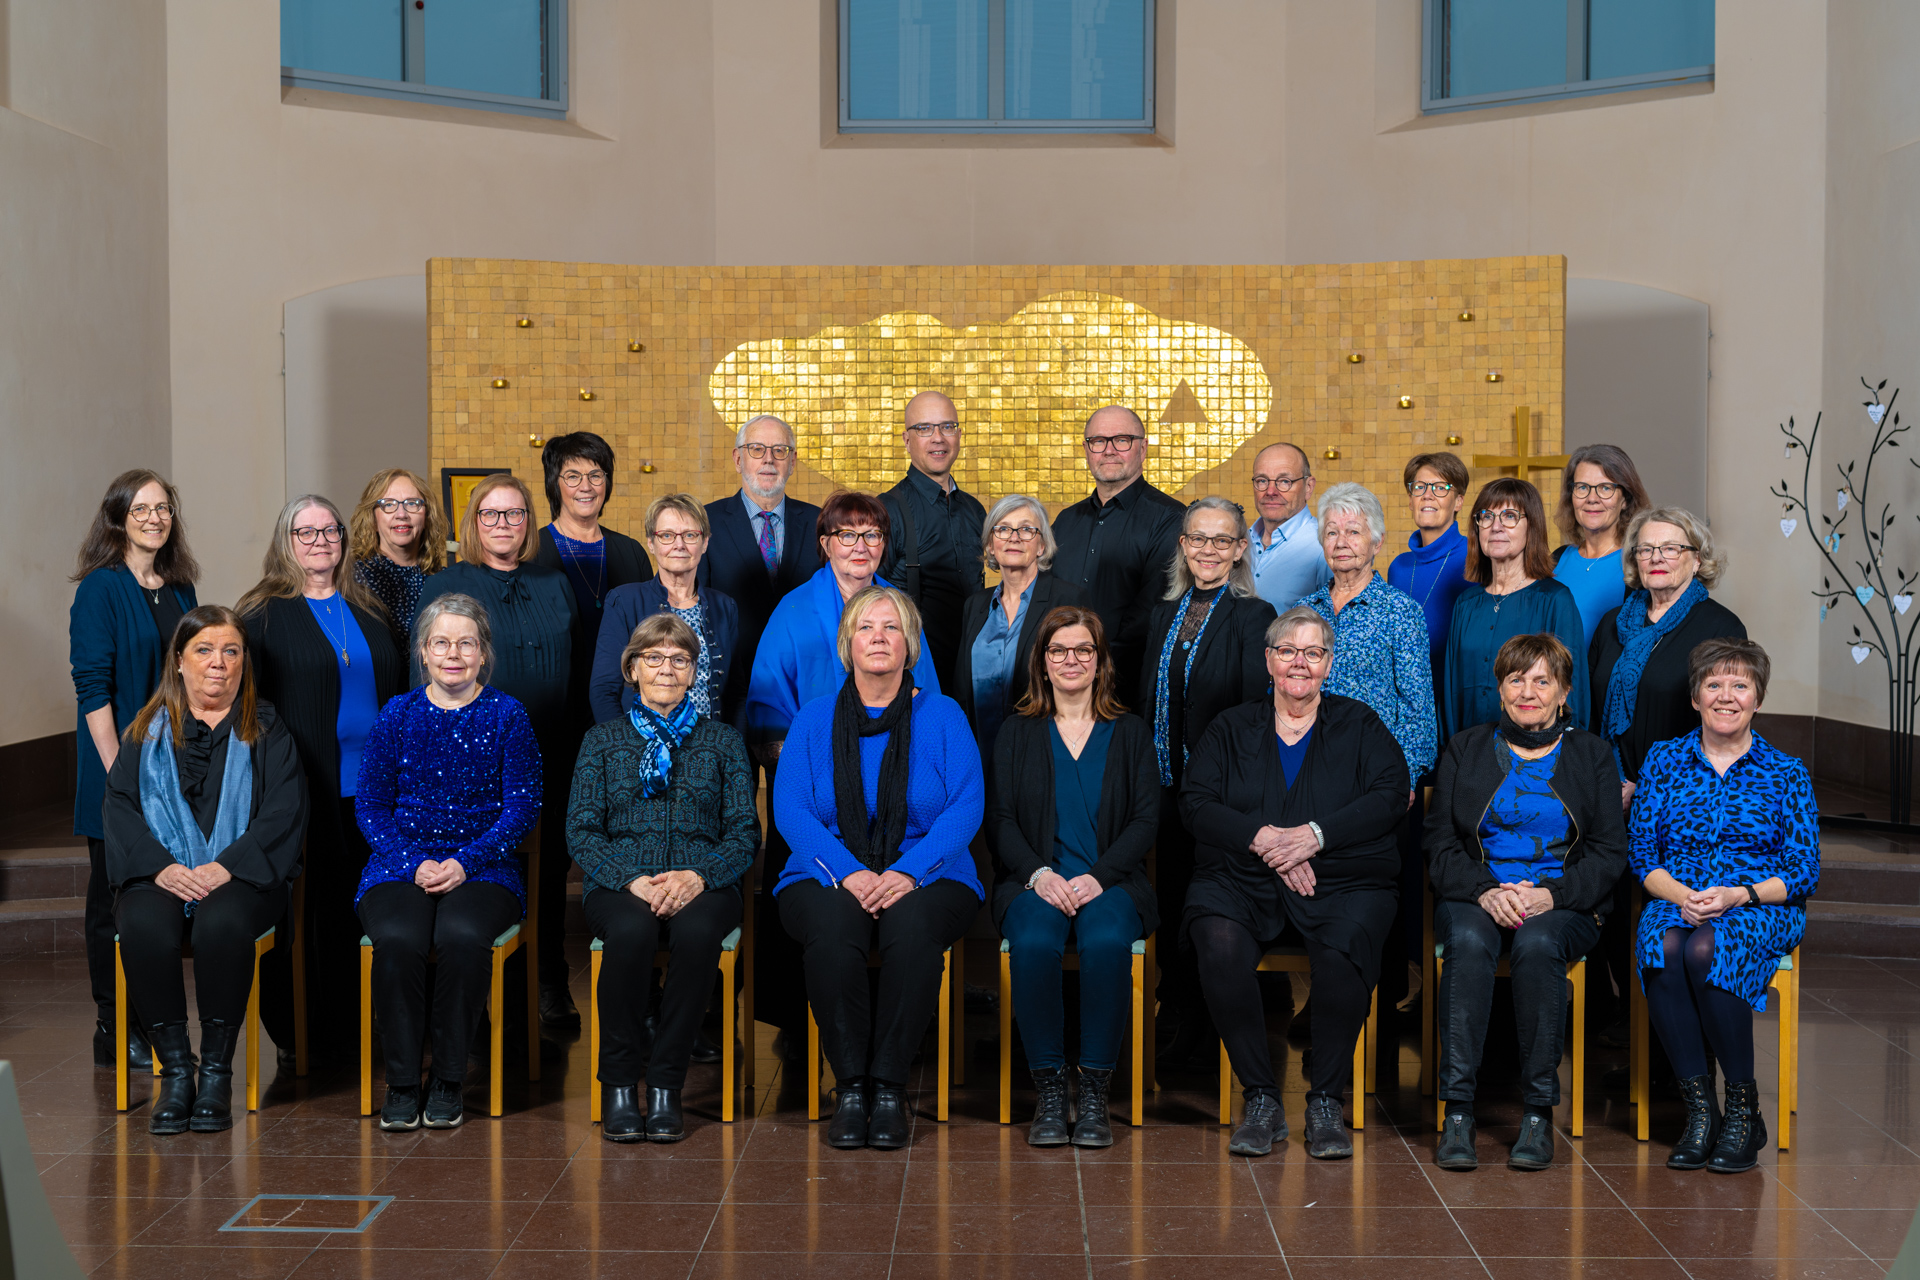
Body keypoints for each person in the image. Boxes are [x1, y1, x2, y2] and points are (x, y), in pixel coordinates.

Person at [1183, 607, 1409, 1159]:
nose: (1299, 663)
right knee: (1215, 937)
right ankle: (1260, 1096)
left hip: (1341, 877)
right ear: (1269, 660)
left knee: (1344, 946)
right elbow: (1195, 803)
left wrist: (1316, 835)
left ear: (1329, 663)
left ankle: (1326, 1100)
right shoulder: (1230, 727)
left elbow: (1389, 796)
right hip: (1244, 874)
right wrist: (1265, 840)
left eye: (1312, 653)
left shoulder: (1361, 725)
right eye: (1287, 651)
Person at [774, 587, 983, 1150]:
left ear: (910, 644)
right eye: (867, 627)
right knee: (833, 929)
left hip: (931, 872)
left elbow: (966, 805)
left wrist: (910, 871)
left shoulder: (943, 715)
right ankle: (850, 1087)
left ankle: (889, 1086)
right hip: (827, 871)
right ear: (848, 642)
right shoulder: (814, 720)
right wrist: (848, 871)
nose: (879, 638)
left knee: (913, 930)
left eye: (892, 628)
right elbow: (790, 809)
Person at [1425, 634, 1628, 1173]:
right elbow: (1440, 846)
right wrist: (1484, 891)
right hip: (1477, 893)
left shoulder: (1592, 755)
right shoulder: (1464, 748)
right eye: (1516, 678)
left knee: (1539, 946)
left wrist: (1551, 895)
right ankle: (1459, 1112)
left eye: (1542, 680)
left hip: (1563, 901)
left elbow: (1610, 853)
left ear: (1564, 691)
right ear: (1499, 688)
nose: (1528, 691)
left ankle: (1538, 1112)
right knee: (1467, 941)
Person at [103, 606, 307, 1134]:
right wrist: (161, 868)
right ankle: (176, 1072)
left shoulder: (266, 728)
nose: (218, 663)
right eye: (204, 650)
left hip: (241, 876)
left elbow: (283, 813)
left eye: (231, 651)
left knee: (222, 922)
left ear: (244, 662)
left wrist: (226, 867)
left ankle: (216, 1071)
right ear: (179, 661)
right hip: (161, 874)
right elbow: (120, 807)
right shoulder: (145, 732)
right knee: (143, 922)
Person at [355, 594, 541, 1131]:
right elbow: (370, 806)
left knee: (461, 936)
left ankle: (450, 1079)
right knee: (399, 937)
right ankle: (403, 1080)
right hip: (399, 865)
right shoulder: (397, 714)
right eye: (441, 642)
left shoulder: (508, 716)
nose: (453, 653)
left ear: (483, 653)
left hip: (486, 866)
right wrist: (413, 863)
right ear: (422, 653)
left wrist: (464, 861)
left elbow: (522, 808)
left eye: (466, 643)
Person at [1633, 638, 1818, 1174]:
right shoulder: (1664, 760)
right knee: (1666, 943)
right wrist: (1680, 896)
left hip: (1758, 902)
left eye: (1740, 685)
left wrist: (1741, 894)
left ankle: (1742, 1108)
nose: (1726, 696)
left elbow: (1803, 868)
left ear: (1758, 697)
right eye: (1713, 684)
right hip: (1682, 896)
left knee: (1707, 950)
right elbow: (1643, 855)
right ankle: (1700, 1112)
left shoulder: (1787, 772)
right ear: (1695, 697)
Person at [570, 614, 757, 1142]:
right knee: (630, 933)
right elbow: (581, 832)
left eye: (679, 659)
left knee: (698, 936)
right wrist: (632, 879)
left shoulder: (722, 742)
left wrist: (699, 876)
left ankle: (667, 1086)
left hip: (705, 882)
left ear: (694, 671)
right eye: (653, 658)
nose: (667, 669)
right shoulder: (602, 741)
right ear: (632, 669)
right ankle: (622, 1084)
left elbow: (745, 832)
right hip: (622, 883)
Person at [238, 494, 406, 1058]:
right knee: (316, 913)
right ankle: (309, 1030)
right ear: (285, 541)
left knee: (372, 906)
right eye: (305, 532)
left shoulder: (368, 608)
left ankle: (373, 1019)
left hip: (378, 790)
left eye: (329, 530)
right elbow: (249, 708)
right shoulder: (261, 614)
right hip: (307, 788)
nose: (320, 542)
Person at [987, 607, 1156, 1148]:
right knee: (1034, 940)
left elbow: (1146, 819)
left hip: (1113, 882)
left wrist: (1100, 877)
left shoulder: (1129, 732)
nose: (1071, 660)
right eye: (1058, 650)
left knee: (1106, 939)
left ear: (1100, 660)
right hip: (1035, 880)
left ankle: (1094, 1093)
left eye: (1084, 649)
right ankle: (1050, 1089)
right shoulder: (1017, 733)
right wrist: (1038, 874)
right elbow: (1003, 821)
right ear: (1041, 661)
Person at [420, 473, 580, 1031]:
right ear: (473, 523)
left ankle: (548, 980)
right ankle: (478, 993)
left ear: (529, 523)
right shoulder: (446, 583)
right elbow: (426, 675)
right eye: (491, 514)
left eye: (515, 514)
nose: (504, 524)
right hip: (473, 756)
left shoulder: (554, 582)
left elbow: (579, 667)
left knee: (551, 866)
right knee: (488, 863)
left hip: (555, 747)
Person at [1139, 496, 1277, 1069]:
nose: (1208, 551)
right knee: (1170, 899)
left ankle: (1208, 1023)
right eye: (1198, 539)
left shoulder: (1254, 614)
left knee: (1210, 903)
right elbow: (1150, 700)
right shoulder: (1163, 613)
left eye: (1222, 541)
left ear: (1240, 549)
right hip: (1165, 787)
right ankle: (1178, 1010)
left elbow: (1250, 713)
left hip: (1221, 793)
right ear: (1183, 545)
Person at [69, 469, 201, 1071]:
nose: (154, 517)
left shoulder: (180, 589)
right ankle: (112, 1024)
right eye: (141, 508)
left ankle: (153, 1019)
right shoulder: (100, 589)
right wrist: (123, 776)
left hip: (171, 768)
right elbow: (93, 689)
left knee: (157, 898)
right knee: (112, 901)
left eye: (163, 508)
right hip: (116, 769)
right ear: (118, 517)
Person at [745, 491, 941, 750]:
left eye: (872, 535)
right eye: (847, 535)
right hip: (813, 758)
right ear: (826, 544)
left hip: (897, 754)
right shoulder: (792, 610)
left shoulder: (901, 608)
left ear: (883, 544)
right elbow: (767, 704)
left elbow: (926, 693)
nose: (861, 547)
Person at [1591, 507, 1747, 803]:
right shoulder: (1611, 623)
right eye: (1645, 549)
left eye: (1671, 549)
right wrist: (1603, 778)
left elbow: (1725, 728)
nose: (1656, 557)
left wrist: (1646, 787)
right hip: (1605, 789)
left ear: (1697, 560)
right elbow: (1590, 712)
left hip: (1680, 795)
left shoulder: (1722, 628)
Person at [1301, 483, 1436, 785]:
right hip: (1306, 768)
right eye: (1332, 532)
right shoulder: (1303, 612)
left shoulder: (1400, 612)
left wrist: (1405, 779)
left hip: (1373, 773)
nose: (1341, 542)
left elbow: (1418, 709)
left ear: (1377, 542)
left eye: (1353, 531)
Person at [1051, 405, 1186, 690]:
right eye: (1098, 441)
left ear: (1143, 448)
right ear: (1087, 450)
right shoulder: (1065, 522)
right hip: (1061, 683)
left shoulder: (1172, 518)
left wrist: (1093, 666)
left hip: (1127, 685)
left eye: (1122, 440)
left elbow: (1152, 611)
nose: (1109, 450)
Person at [699, 414, 823, 725]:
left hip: (802, 687)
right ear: (738, 459)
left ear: (792, 462)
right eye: (756, 449)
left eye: (780, 450)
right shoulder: (704, 523)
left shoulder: (821, 524)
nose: (768, 459)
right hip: (730, 686)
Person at [1442, 478, 1589, 738]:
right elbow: (1451, 693)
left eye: (1509, 516)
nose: (1496, 526)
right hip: (1470, 753)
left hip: (1536, 761)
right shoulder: (1465, 604)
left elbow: (1573, 694)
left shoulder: (1555, 600)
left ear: (1531, 527)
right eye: (1486, 516)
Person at [953, 494, 1087, 756]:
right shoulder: (974, 605)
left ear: (1041, 545)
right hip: (979, 753)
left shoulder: (1068, 600)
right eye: (1002, 529)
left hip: (1044, 754)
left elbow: (1083, 687)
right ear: (991, 545)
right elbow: (961, 690)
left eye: (1026, 529)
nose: (1013, 537)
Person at [589, 494, 739, 725]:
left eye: (690, 535)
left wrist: (733, 749)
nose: (679, 545)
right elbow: (604, 690)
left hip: (710, 750)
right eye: (667, 535)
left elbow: (737, 692)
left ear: (705, 542)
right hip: (641, 750)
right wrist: (622, 750)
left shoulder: (724, 606)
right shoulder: (624, 601)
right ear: (651, 542)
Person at [879, 391, 986, 691]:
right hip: (915, 681)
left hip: (974, 676)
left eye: (947, 427)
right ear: (906, 439)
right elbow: (867, 599)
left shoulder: (975, 511)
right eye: (924, 428)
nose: (938, 438)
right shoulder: (887, 511)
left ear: (959, 435)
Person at [1387, 452, 1474, 697]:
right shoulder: (1398, 567)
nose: (1428, 494)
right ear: (1410, 499)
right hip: (1405, 700)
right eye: (1420, 487)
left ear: (1458, 502)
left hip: (1455, 699)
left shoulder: (1477, 558)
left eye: (1440, 487)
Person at [1552, 444, 1651, 645]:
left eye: (1605, 488)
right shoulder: (1557, 559)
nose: (1592, 499)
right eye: (1582, 487)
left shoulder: (1638, 563)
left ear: (1625, 500)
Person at [349, 467, 446, 648]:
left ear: (426, 517)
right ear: (372, 519)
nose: (401, 514)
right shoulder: (352, 580)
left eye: (412, 503)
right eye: (388, 504)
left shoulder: (445, 580)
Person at [1246, 442, 1332, 609]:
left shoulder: (1324, 546)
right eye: (1262, 480)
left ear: (1308, 487)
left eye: (1284, 481)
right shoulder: (1239, 542)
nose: (1271, 491)